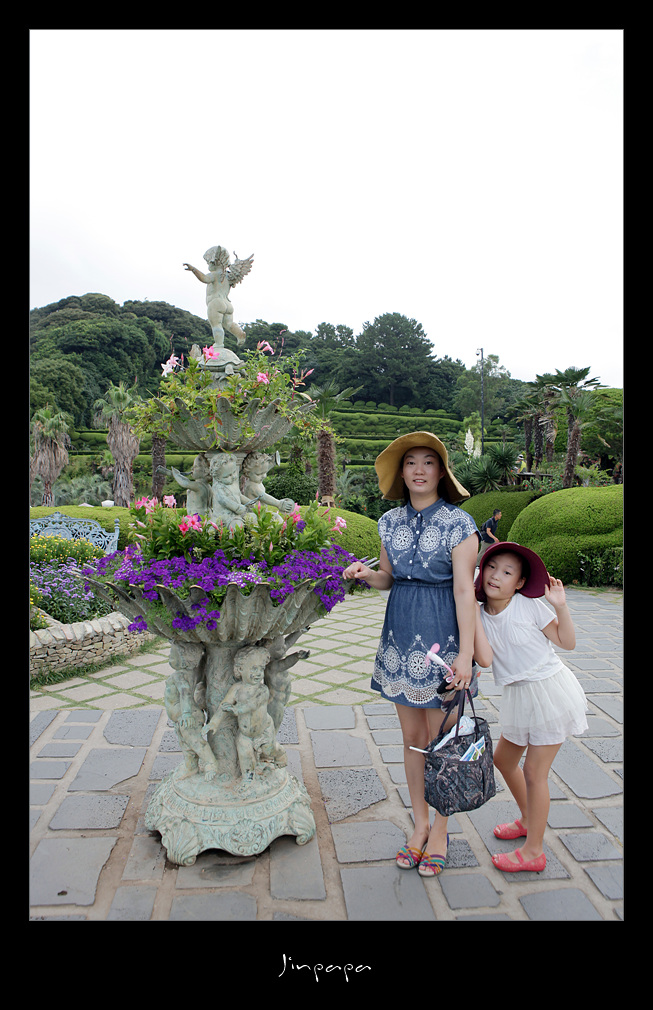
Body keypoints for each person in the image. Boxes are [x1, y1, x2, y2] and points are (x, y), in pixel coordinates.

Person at [343, 432, 480, 878]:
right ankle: (419, 823)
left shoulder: (460, 525)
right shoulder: (388, 522)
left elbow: (465, 591)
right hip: (400, 636)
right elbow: (388, 576)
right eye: (410, 463)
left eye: (428, 462)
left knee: (444, 739)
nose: (419, 470)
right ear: (401, 473)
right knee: (412, 739)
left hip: (444, 637)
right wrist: (367, 575)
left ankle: (441, 829)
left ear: (442, 472)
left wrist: (466, 654)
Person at [472, 542, 588, 873]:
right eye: (491, 567)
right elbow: (485, 659)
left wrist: (560, 607)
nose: (496, 576)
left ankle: (534, 850)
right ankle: (528, 819)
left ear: (520, 582)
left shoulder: (529, 605)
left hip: (549, 692)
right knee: (504, 760)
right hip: (519, 695)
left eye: (507, 572)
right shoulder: (479, 614)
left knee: (535, 772)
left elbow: (567, 642)